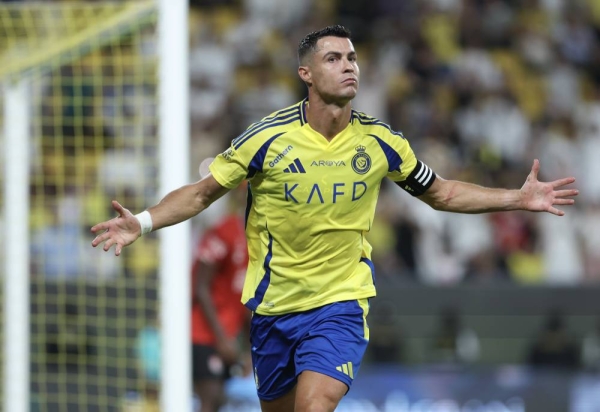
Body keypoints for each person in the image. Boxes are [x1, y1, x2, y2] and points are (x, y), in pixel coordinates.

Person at [91, 25, 578, 412]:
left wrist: (517, 197)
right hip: (273, 309)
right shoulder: (266, 138)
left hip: (340, 304)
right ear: (306, 73)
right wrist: (144, 221)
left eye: (352, 58)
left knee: (316, 404)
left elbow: (443, 193)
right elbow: (201, 194)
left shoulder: (381, 142)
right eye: (333, 58)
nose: (348, 67)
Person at [190, 187, 250, 412]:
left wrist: (247, 349)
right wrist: (222, 339)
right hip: (203, 334)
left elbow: (245, 300)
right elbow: (200, 287)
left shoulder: (257, 239)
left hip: (229, 338)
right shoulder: (223, 232)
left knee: (219, 400)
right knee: (211, 397)